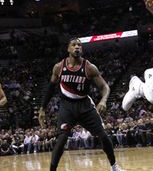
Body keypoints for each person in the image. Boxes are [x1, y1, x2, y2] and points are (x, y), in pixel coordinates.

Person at [38, 38, 122, 171]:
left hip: (85, 106)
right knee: (62, 138)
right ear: (68, 49)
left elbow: (105, 87)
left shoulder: (89, 67)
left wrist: (103, 100)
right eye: (74, 45)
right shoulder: (59, 67)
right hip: (67, 106)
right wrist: (42, 108)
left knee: (103, 135)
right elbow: (50, 88)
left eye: (79, 45)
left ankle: (114, 167)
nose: (77, 47)